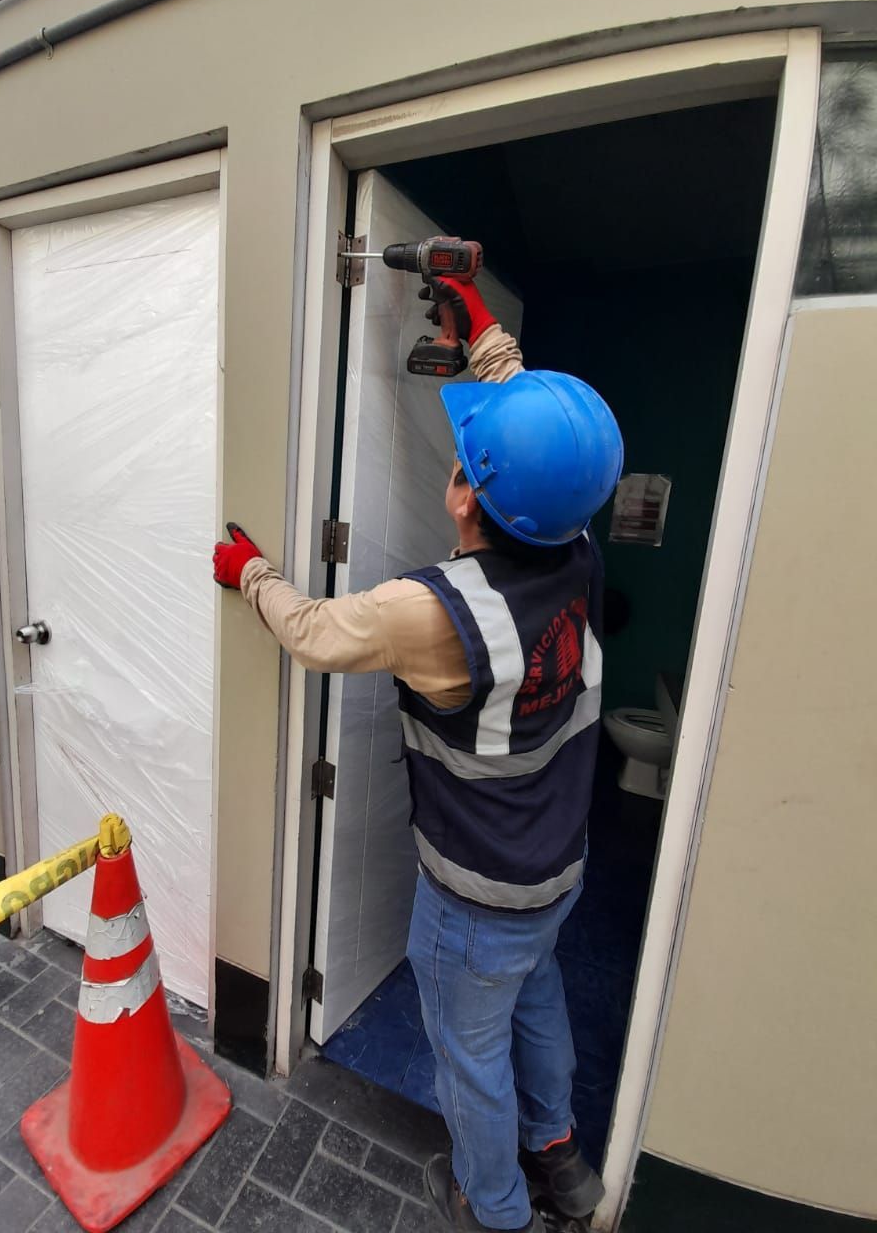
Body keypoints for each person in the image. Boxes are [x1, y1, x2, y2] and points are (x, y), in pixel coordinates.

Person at [213, 274, 623, 1233]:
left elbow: (312, 630)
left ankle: (495, 1208)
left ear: (468, 496)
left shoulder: (437, 612)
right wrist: (482, 330)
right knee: (537, 1003)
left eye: (466, 460)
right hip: (557, 871)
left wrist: (252, 572)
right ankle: (559, 1155)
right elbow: (545, 451)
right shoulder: (577, 544)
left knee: (469, 1053)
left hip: (474, 896)